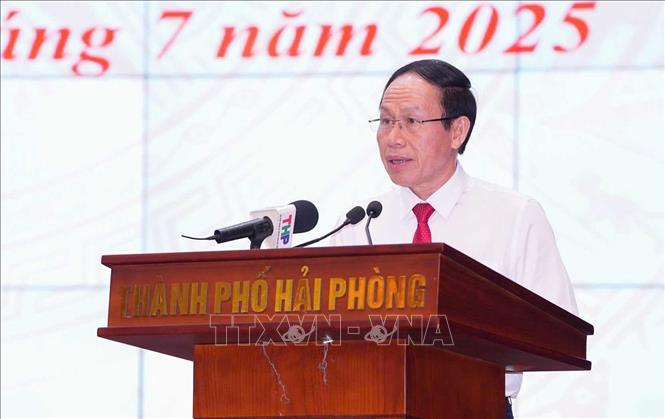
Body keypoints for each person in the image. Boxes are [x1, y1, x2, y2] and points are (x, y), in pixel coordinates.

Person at [329, 59, 579, 419]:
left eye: (411, 121)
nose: (393, 137)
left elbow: (558, 333)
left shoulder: (514, 216)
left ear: (457, 131)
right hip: (373, 405)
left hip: (475, 406)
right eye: (385, 121)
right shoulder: (358, 224)